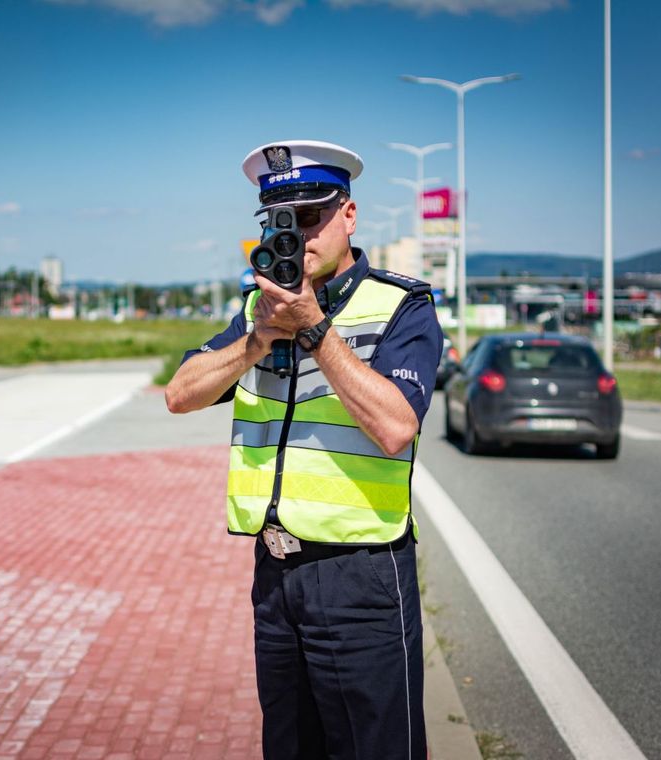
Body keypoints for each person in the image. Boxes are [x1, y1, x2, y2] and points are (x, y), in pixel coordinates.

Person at [166, 140, 443, 760]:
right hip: (276, 575)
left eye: (311, 217)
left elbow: (397, 426)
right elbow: (180, 395)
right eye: (277, 222)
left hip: (361, 578)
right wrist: (258, 339)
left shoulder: (402, 306)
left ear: (349, 214)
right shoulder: (256, 310)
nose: (295, 236)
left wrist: (315, 329)